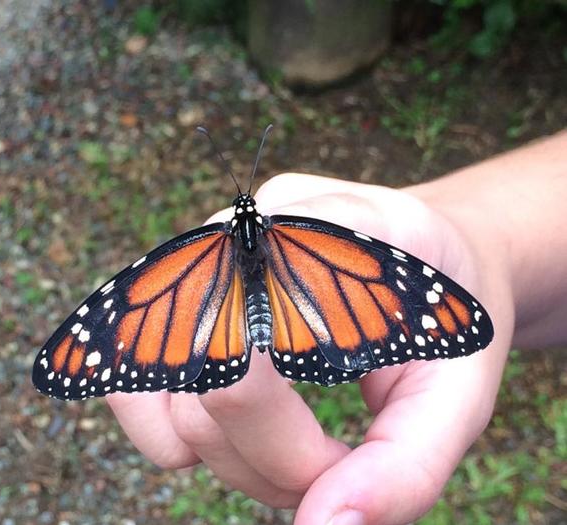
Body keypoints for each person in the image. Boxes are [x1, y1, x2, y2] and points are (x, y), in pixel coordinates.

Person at [107, 130, 567, 525]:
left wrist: (480, 249)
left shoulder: (241, 245)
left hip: (258, 326)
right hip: (277, 320)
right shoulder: (293, 241)